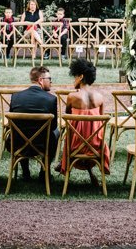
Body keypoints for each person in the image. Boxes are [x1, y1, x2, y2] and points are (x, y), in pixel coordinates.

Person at [59, 58, 110, 186]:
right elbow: (100, 123)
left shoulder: (72, 97)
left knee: (73, 134)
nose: (73, 80)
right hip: (96, 145)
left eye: (75, 76)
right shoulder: (100, 97)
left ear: (81, 76)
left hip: (75, 145)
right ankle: (91, 174)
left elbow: (68, 118)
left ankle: (62, 163)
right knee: (89, 134)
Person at [9, 66, 59, 180]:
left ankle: (25, 172)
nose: (51, 82)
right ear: (41, 80)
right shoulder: (51, 99)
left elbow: (12, 122)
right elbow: (54, 126)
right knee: (56, 133)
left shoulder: (16, 97)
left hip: (18, 143)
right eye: (49, 79)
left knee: (20, 131)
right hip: (42, 144)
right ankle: (44, 171)